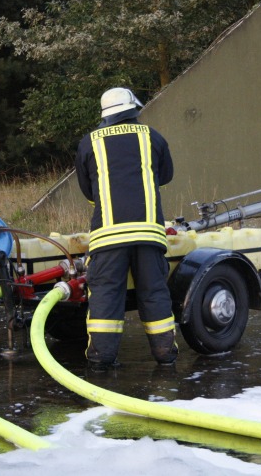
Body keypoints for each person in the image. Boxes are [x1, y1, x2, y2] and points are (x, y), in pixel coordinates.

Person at [75, 87, 178, 371]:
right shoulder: (152, 136)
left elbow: (89, 191)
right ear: (133, 109)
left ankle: (101, 359)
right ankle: (165, 353)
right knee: (154, 292)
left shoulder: (89, 142)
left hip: (108, 237)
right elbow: (165, 176)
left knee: (106, 295)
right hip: (149, 234)